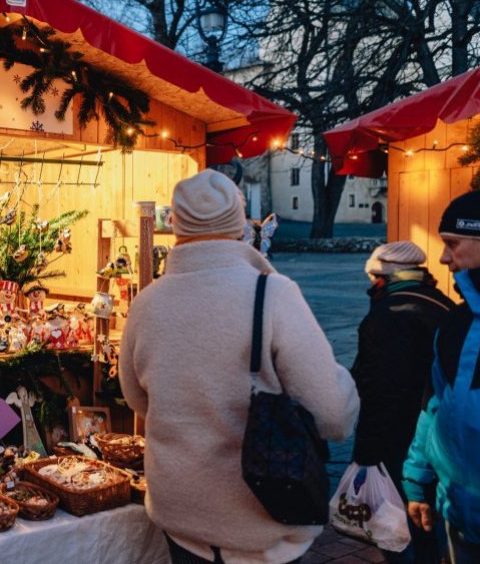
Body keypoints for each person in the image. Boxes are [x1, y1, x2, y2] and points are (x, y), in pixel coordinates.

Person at [118, 169, 359, 564]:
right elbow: (333, 415)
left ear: (176, 226)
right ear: (239, 224)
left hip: (180, 513)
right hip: (261, 516)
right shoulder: (273, 294)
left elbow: (137, 399)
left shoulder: (147, 303)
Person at [403, 189, 480, 564]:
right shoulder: (455, 324)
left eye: (452, 244)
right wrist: (418, 480)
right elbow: (434, 406)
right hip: (460, 522)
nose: (443, 257)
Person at [351, 241, 455, 564]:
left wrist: (364, 454)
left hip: (395, 439)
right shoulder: (446, 305)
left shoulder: (385, 316)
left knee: (396, 530)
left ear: (383, 278)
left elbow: (373, 390)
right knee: (432, 524)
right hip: (440, 439)